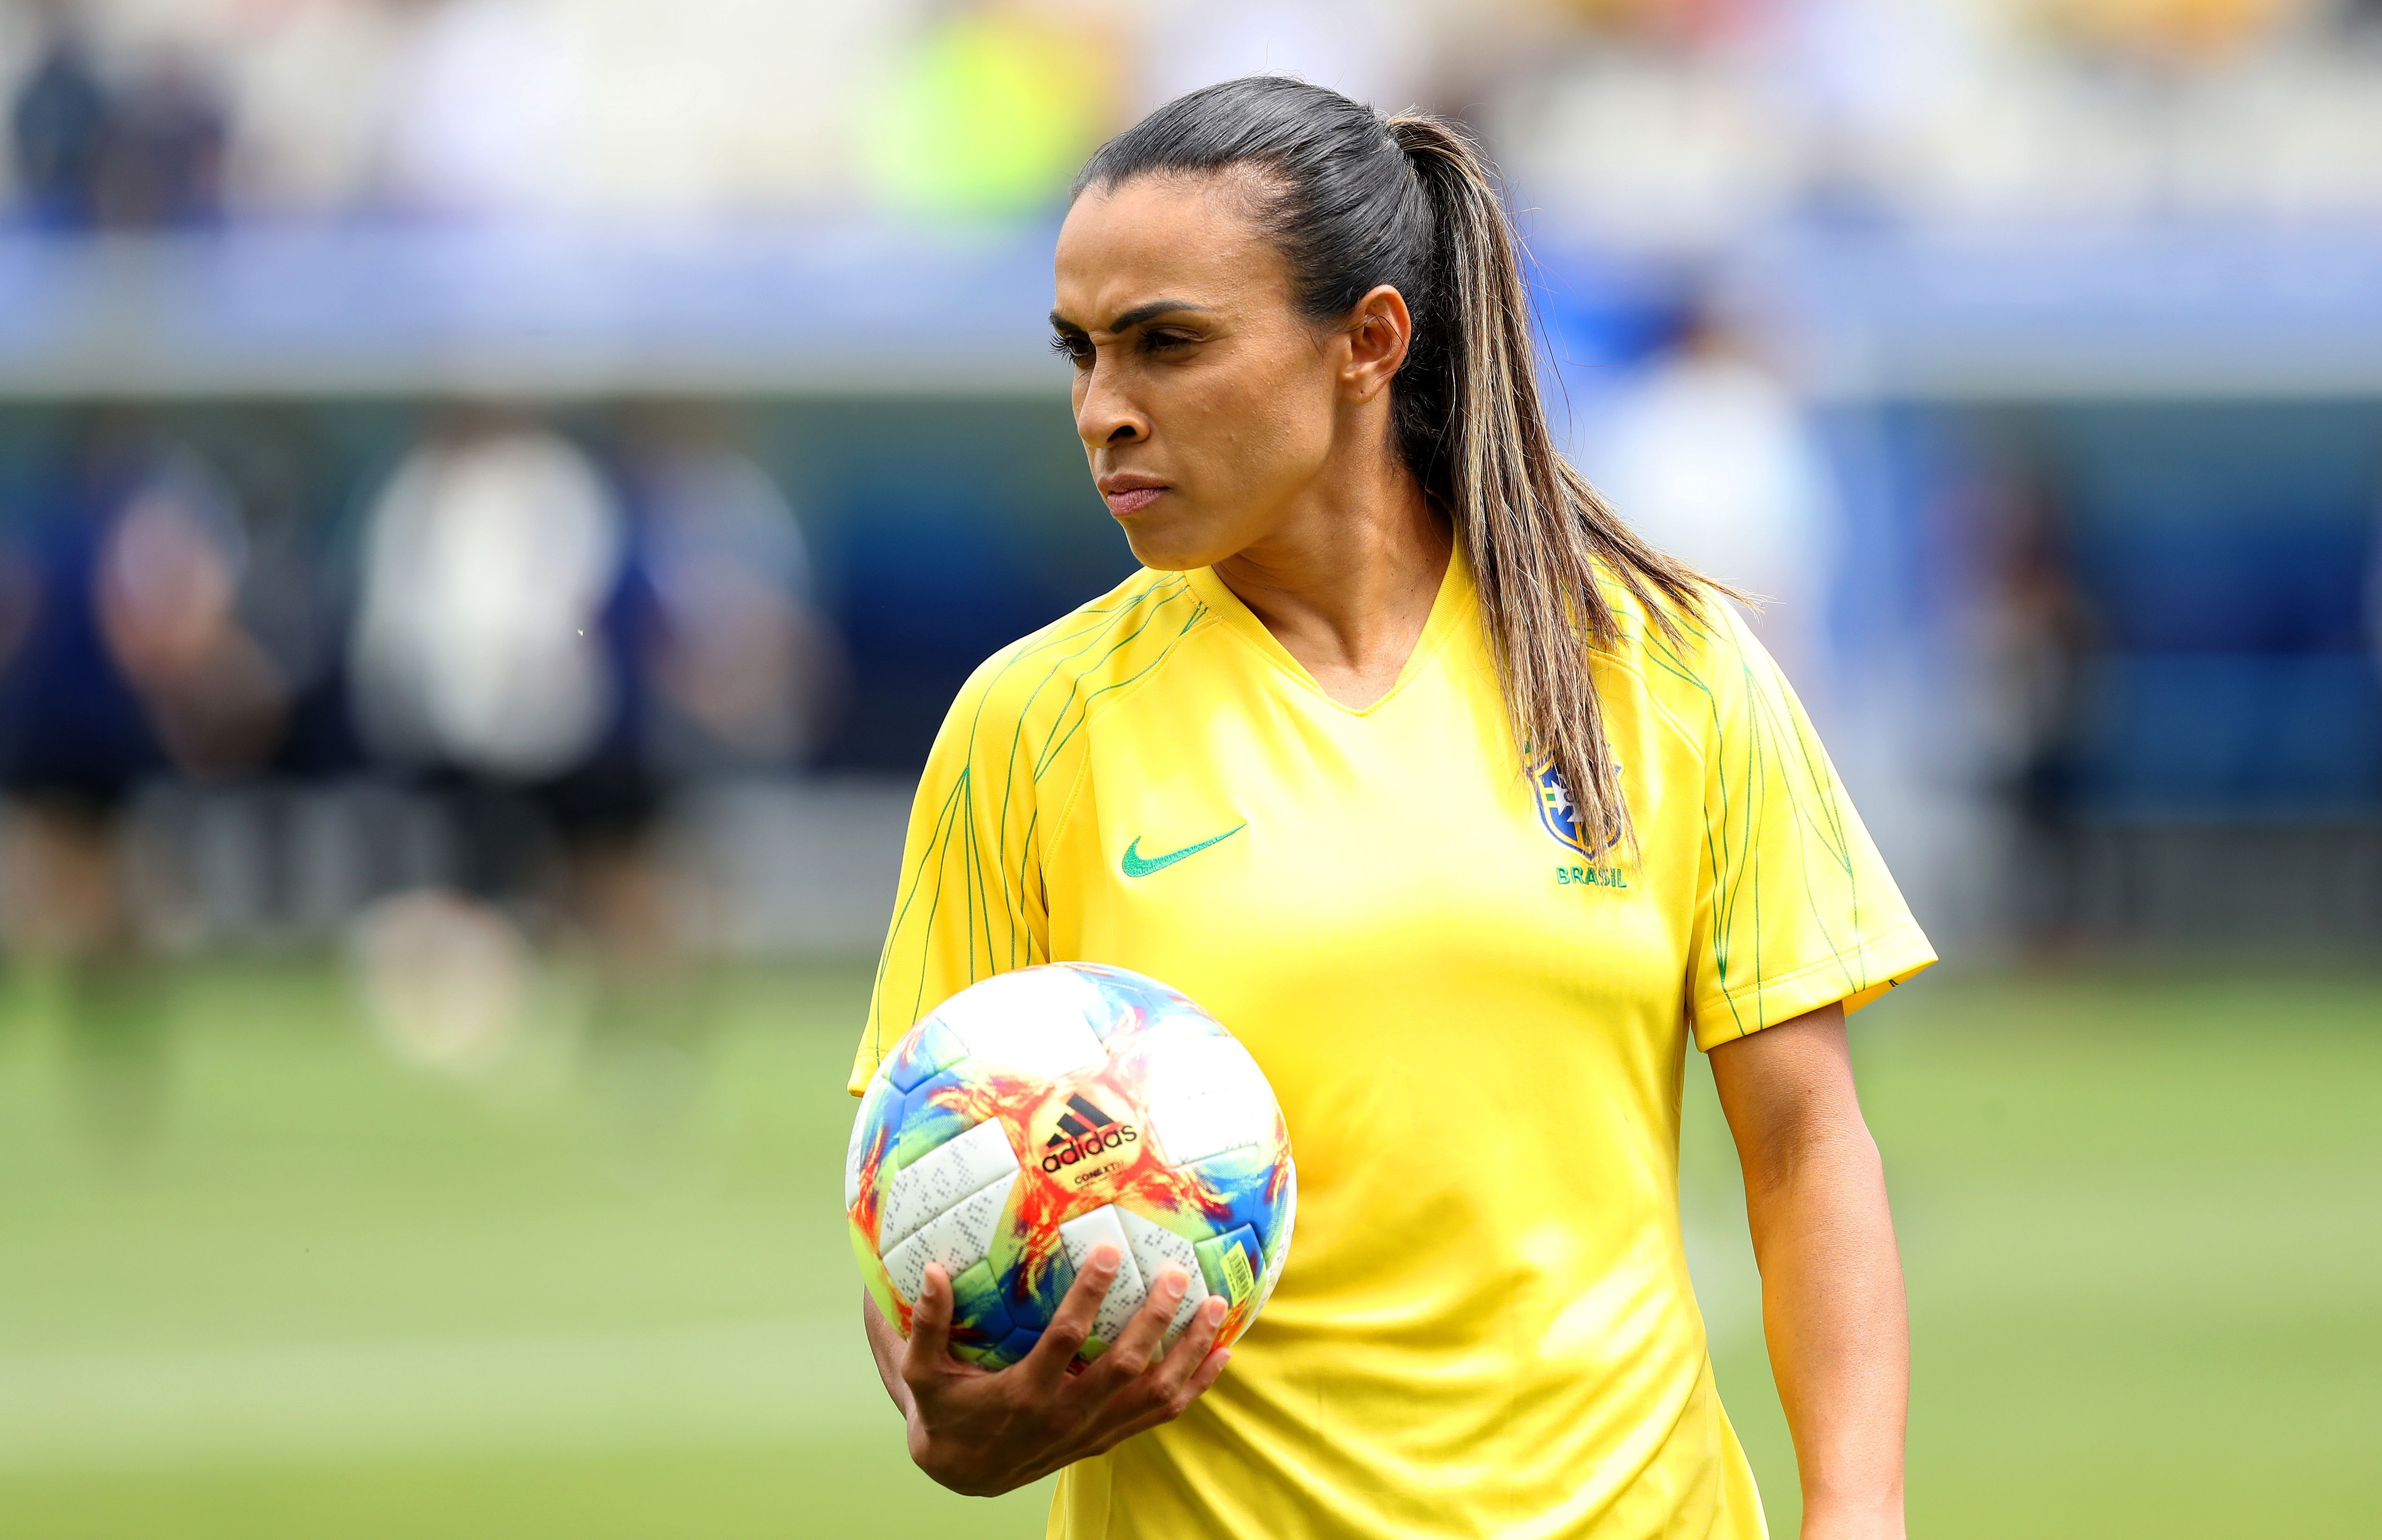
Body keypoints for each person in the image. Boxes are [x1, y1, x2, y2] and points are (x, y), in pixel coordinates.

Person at [851, 77, 1933, 1540]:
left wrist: (1854, 1515)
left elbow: (1807, 1147)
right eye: (1082, 351)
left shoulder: (1664, 667)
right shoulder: (1029, 725)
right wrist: (960, 1430)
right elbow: (927, 1191)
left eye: (1168, 343)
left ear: (1367, 341)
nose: (1103, 410)